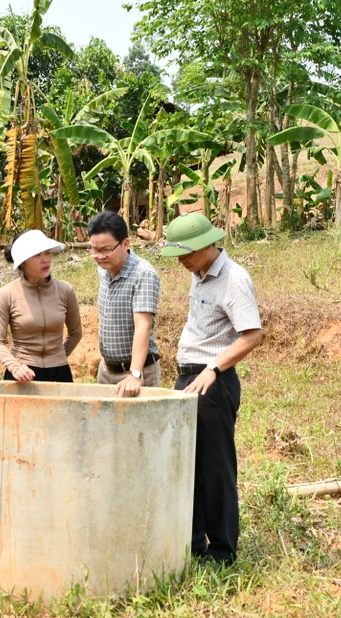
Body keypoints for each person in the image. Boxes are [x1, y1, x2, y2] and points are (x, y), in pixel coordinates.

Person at [161, 212, 263, 565]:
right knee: (186, 463)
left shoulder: (234, 278)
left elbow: (252, 334)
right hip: (188, 377)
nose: (182, 260)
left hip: (212, 381)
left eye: (186, 252)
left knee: (215, 466)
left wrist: (213, 369)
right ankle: (192, 544)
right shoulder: (199, 275)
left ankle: (222, 550)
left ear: (208, 243)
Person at [0, 230, 82, 382]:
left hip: (59, 372)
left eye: (47, 253)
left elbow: (76, 333)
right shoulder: (7, 294)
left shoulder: (65, 290)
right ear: (23, 262)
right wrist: (15, 366)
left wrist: (57, 356)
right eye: (37, 255)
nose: (45, 259)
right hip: (22, 374)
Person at [87, 210, 161, 397]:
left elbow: (143, 326)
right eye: (94, 250)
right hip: (107, 371)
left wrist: (135, 374)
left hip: (137, 373)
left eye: (105, 250)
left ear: (125, 244)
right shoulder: (103, 270)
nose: (99, 256)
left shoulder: (143, 274)